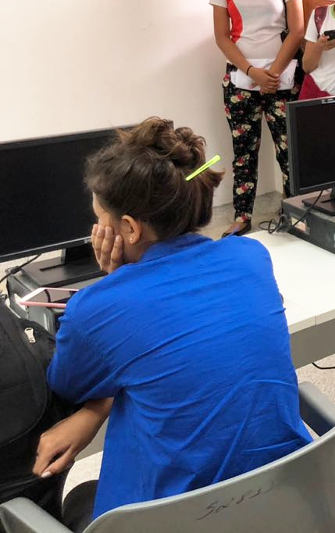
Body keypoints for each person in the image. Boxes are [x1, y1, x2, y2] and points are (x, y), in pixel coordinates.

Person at [34, 118, 311, 530]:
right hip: (283, 503)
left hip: (174, 520)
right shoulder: (250, 256)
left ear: (129, 228)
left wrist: (113, 283)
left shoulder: (96, 308)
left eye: (99, 219)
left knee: (80, 498)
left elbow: (69, 386)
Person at [211, 0, 305, 237]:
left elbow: (297, 29)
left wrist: (272, 74)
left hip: (282, 79)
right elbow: (222, 36)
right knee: (243, 154)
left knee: (289, 152)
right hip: (241, 81)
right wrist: (252, 71)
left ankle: (295, 212)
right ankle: (242, 217)